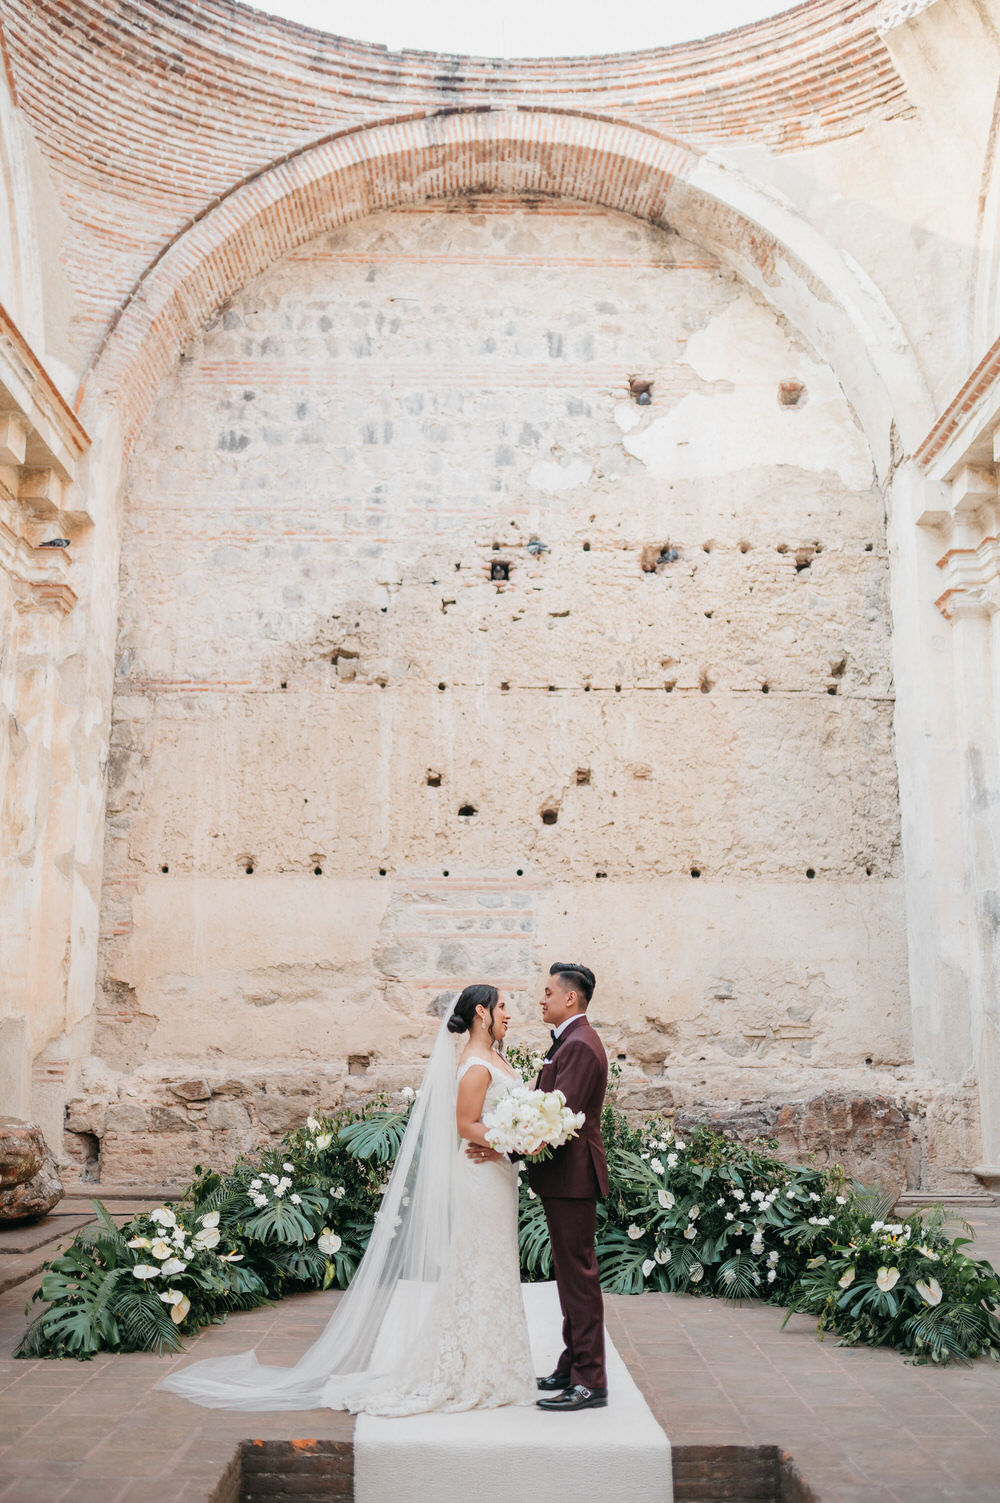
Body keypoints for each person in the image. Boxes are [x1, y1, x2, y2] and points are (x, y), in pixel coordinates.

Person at [157, 984, 536, 1415]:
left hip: (499, 1173)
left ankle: (490, 1360)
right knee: (480, 1264)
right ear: (482, 1013)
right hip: (481, 1176)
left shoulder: (497, 1055)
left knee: (493, 1262)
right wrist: (513, 1141)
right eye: (504, 1006)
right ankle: (471, 1368)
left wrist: (518, 1142)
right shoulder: (473, 1065)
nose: (510, 1013)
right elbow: (466, 1125)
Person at [530, 962, 609, 1410]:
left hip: (572, 1177)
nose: (541, 999)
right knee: (570, 1276)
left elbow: (558, 1120)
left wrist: (508, 1146)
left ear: (570, 998)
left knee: (578, 1278)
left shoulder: (578, 1045)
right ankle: (572, 1361)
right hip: (566, 1178)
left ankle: (590, 1380)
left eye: (547, 992)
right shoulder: (572, 1040)